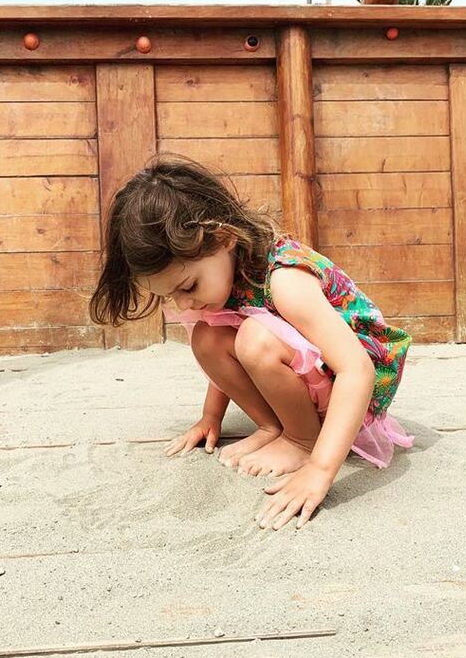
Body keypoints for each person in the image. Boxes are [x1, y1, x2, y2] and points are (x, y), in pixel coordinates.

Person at [89, 157, 412, 531]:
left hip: (358, 379)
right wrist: (211, 418)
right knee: (207, 336)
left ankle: (302, 440)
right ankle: (273, 427)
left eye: (188, 287)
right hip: (313, 367)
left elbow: (357, 369)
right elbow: (224, 340)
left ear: (223, 237)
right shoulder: (225, 268)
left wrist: (320, 471)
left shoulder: (285, 279)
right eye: (169, 297)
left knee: (256, 339)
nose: (184, 304)